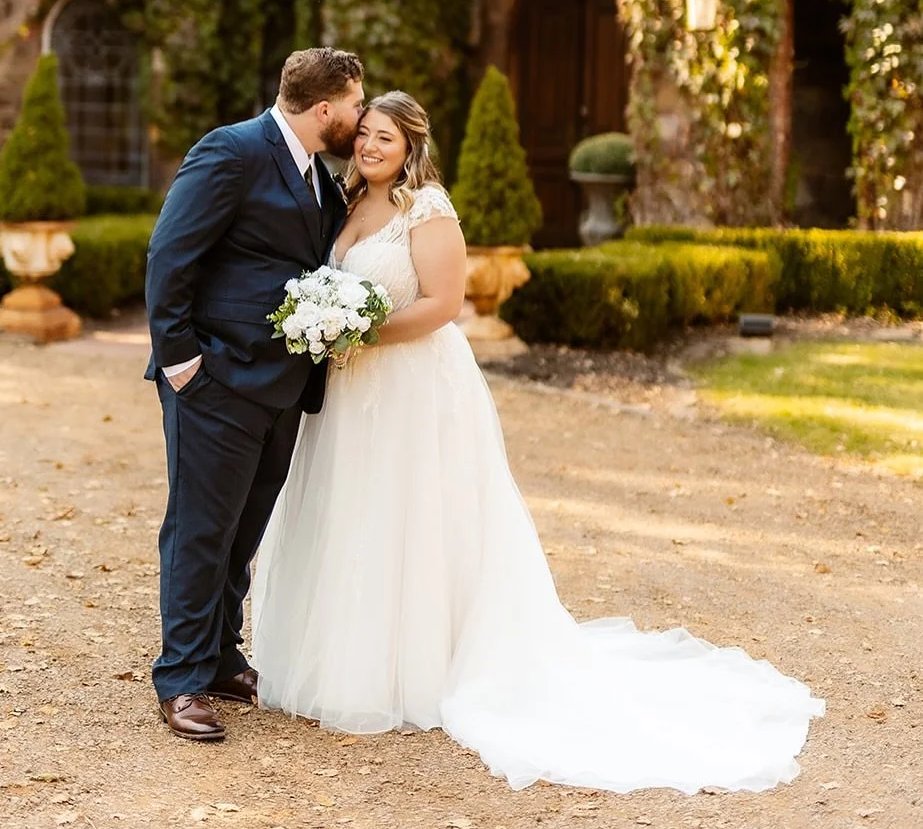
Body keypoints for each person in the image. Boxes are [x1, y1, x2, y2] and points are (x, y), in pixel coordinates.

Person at [252, 91, 825, 792]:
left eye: (386, 138)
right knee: (352, 511)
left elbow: (443, 305)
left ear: (411, 148)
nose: (370, 146)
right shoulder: (342, 202)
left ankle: (416, 668)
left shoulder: (426, 208)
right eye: (365, 133)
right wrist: (328, 323)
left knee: (413, 515)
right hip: (348, 390)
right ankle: (345, 656)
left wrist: (361, 331)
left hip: (409, 385)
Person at [144, 47, 364, 740]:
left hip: (282, 384)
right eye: (355, 105)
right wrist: (182, 363)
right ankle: (180, 678)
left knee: (243, 531)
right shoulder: (232, 151)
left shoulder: (321, 176)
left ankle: (218, 656)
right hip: (215, 379)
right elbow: (170, 255)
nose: (360, 118)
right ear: (324, 108)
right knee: (200, 529)